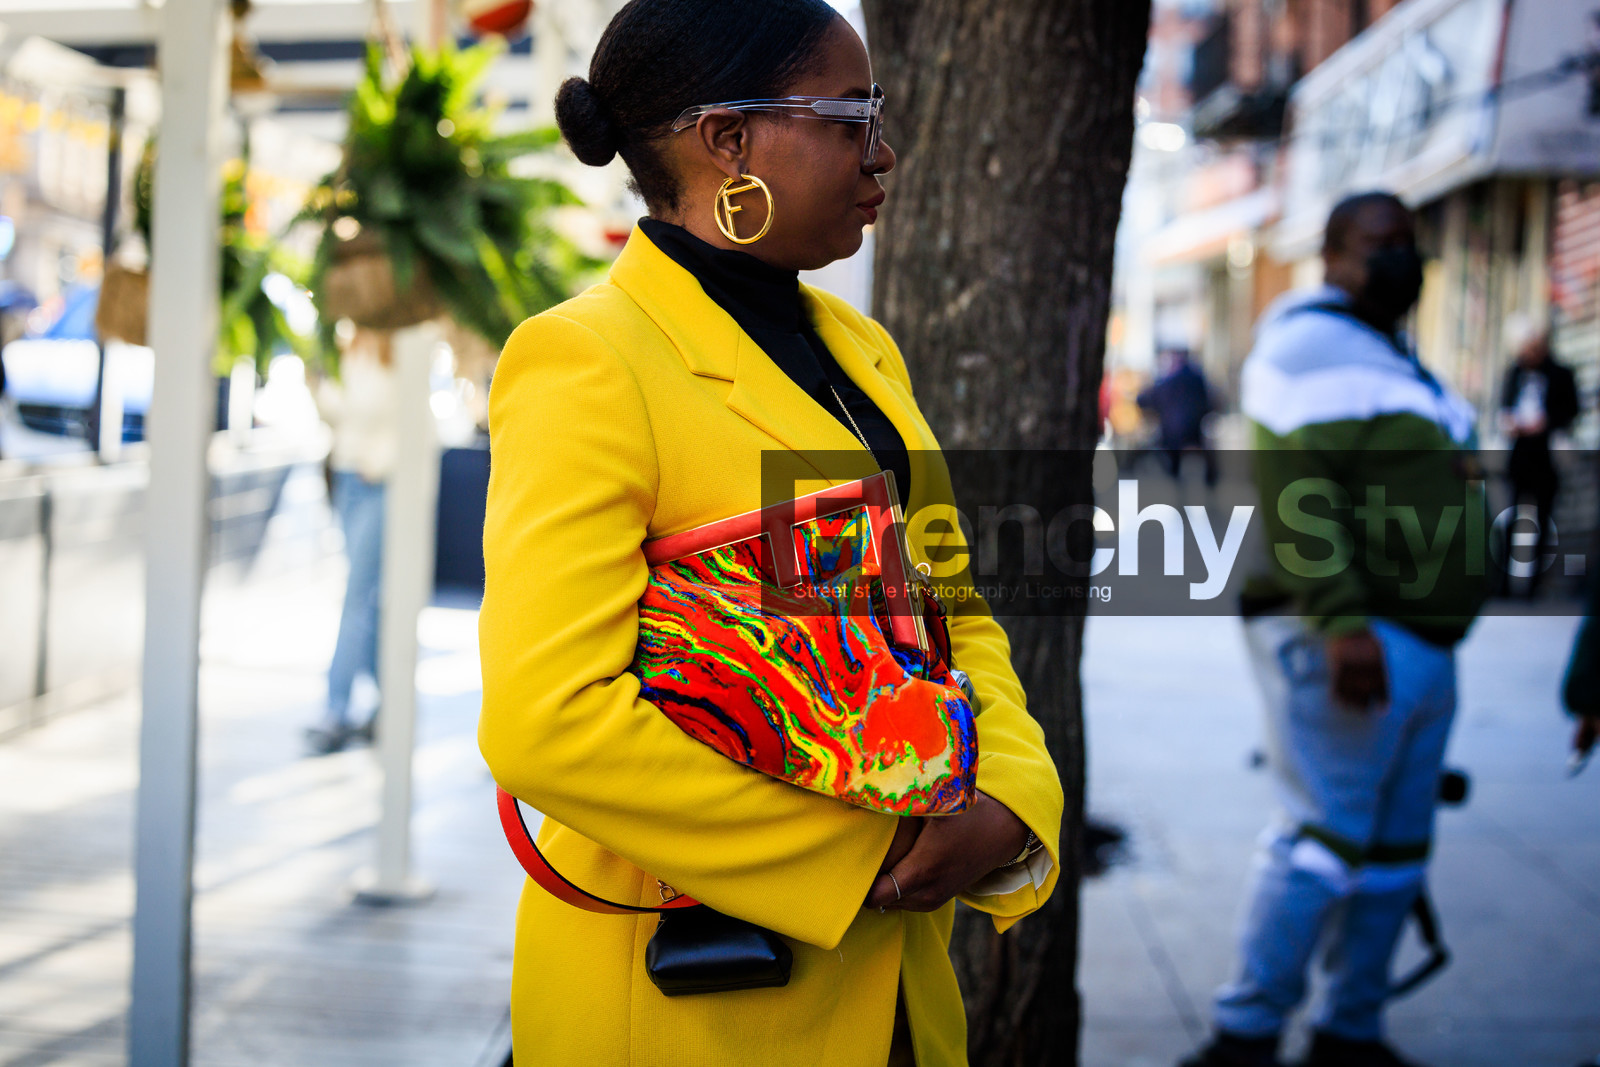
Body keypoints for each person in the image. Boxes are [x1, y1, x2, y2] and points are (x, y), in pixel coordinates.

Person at [475, 3, 1063, 1064]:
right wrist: (867, 847)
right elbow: (547, 720)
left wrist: (1011, 800)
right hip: (688, 1002)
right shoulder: (587, 359)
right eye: (851, 117)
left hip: (897, 992)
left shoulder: (860, 348)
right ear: (729, 140)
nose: (883, 152)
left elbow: (951, 610)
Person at [1181, 192, 1488, 1067]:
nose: (1401, 258)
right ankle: (1245, 1035)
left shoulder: (1385, 351)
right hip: (1359, 636)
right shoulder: (1309, 343)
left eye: (1409, 242)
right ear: (1333, 255)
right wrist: (1343, 624)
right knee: (1322, 837)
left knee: (1394, 849)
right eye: (1380, 242)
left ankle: (1350, 1032)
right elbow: (1296, 492)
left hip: (1421, 640)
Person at [307, 327, 398, 755]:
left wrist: (380, 462)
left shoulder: (399, 352)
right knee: (366, 601)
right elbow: (337, 413)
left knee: (356, 596)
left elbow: (417, 426)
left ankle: (336, 708)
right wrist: (314, 380)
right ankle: (386, 704)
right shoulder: (346, 349)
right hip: (345, 478)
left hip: (378, 482)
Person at [1497, 313, 1578, 598]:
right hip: (1519, 457)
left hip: (1547, 457)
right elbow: (1504, 407)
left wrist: (1546, 423)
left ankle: (1534, 586)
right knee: (1511, 519)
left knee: (1543, 522)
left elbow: (1571, 411)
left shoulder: (1561, 374)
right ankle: (1504, 583)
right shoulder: (1514, 373)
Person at [1137, 345, 1218, 485]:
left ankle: (1175, 478)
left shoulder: (1168, 380)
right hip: (1194, 428)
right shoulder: (1198, 378)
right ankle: (1210, 480)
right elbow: (1209, 401)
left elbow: (1146, 399)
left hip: (1172, 431)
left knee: (1165, 450)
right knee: (1203, 450)